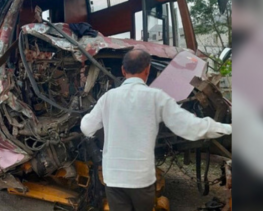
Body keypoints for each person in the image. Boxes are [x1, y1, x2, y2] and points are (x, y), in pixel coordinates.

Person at [80, 49, 232, 211]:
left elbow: (87, 128)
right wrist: (228, 128)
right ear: (148, 70)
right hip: (141, 180)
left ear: (123, 71)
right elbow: (191, 127)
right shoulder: (156, 97)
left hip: (114, 179)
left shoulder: (108, 98)